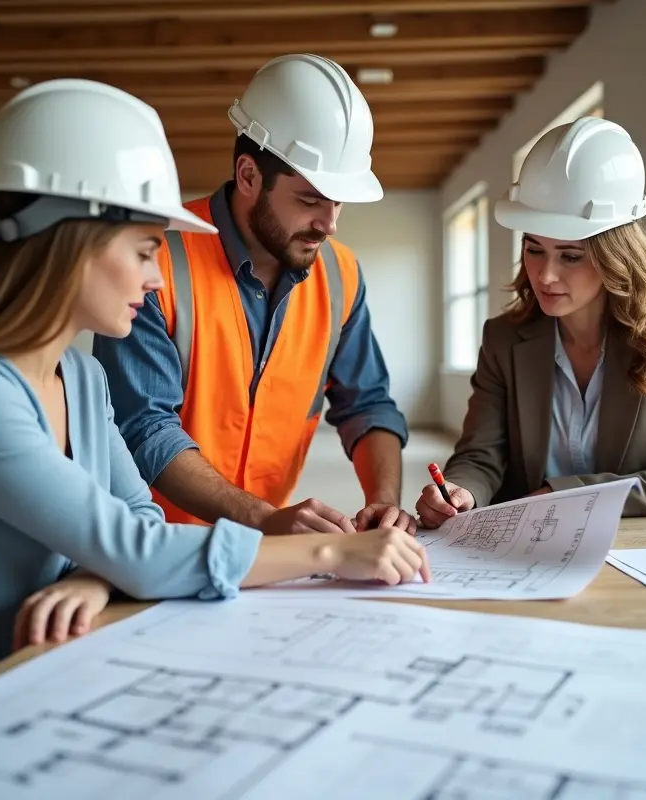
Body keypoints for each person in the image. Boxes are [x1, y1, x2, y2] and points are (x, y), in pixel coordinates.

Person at [0, 78, 428, 772]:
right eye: (146, 250)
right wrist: (332, 554)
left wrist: (101, 576)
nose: (157, 279)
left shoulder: (83, 378)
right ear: (74, 245)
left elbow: (136, 529)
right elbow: (135, 545)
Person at [92, 54, 416, 538]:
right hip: (152, 536)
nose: (329, 224)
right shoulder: (154, 259)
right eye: (310, 199)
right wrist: (264, 519)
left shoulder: (341, 273)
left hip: (262, 536)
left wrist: (384, 502)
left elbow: (368, 404)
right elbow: (145, 426)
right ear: (248, 176)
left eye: (338, 202)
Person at [416, 117, 646, 527]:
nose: (545, 275)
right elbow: (480, 456)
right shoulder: (503, 338)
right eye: (534, 249)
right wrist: (461, 491)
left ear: (615, 256)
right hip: (526, 546)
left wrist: (566, 494)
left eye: (570, 256)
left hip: (633, 544)